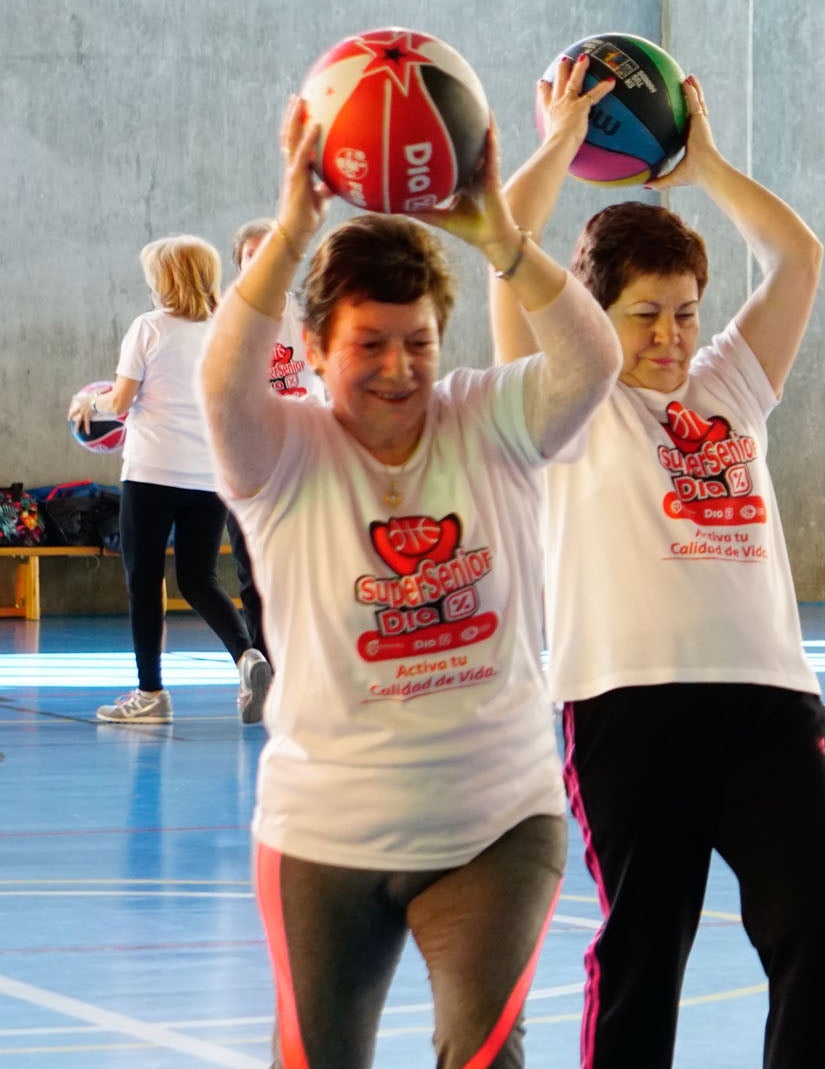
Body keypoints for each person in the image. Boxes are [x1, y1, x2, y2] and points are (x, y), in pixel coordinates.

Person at [200, 93, 620, 1068]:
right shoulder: (281, 454)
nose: (398, 369)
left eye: (418, 343)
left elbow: (592, 361)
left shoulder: (489, 419)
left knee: (482, 1054)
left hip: (495, 825)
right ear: (312, 353)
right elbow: (219, 385)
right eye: (369, 345)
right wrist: (296, 227)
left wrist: (503, 238)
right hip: (324, 832)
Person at [491, 59, 825, 1067]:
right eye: (645, 314)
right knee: (646, 949)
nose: (670, 334)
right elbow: (502, 249)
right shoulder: (568, 393)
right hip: (626, 704)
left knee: (814, 937)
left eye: (685, 310)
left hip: (769, 702)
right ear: (594, 315)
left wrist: (709, 166)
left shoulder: (729, 379)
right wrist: (561, 142)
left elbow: (799, 257)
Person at [73, 236, 267, 725]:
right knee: (199, 579)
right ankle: (249, 657)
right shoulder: (229, 331)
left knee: (144, 582)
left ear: (168, 279)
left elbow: (118, 404)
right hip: (209, 476)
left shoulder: (149, 329)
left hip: (151, 475)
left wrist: (86, 406)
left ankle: (151, 695)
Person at [222, 218, 325, 668]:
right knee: (252, 571)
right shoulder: (226, 319)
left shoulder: (307, 316)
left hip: (302, 455)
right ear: (240, 265)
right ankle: (267, 665)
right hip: (247, 460)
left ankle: (314, 659)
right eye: (252, 255)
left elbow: (331, 378)